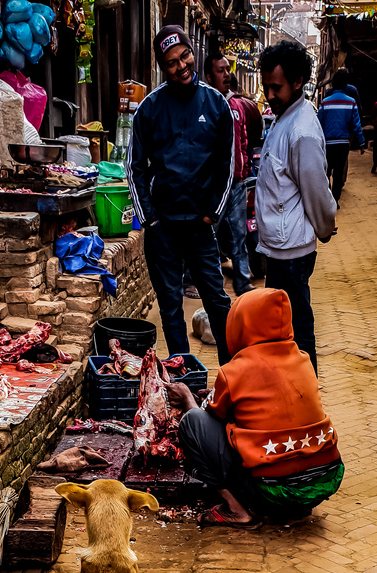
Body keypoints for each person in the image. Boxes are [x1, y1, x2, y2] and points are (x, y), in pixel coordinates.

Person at [168, 288, 344, 529]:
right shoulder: (303, 360)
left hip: (273, 490)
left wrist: (188, 397)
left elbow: (207, 418)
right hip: (324, 481)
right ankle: (298, 506)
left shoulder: (234, 371)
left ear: (241, 325)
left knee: (192, 422)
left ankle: (237, 510)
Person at [127, 25, 234, 362]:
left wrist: (212, 213)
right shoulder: (149, 109)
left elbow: (227, 164)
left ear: (192, 52)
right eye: (172, 62)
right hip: (164, 230)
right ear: (163, 66)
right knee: (171, 307)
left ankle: (233, 375)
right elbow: (135, 167)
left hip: (201, 227)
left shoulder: (216, 105)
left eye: (185, 55)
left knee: (217, 301)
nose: (182, 65)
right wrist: (150, 219)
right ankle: (183, 376)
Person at [255, 40, 337, 376]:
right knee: (279, 332)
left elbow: (318, 194)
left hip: (292, 253)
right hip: (278, 249)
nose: (270, 96)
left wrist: (324, 228)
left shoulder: (302, 130)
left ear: (298, 82)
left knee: (298, 333)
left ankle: (307, 404)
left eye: (276, 88)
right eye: (266, 88)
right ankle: (287, 399)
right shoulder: (283, 118)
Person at [204, 52, 255, 295]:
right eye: (221, 70)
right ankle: (210, 285)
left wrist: (243, 171)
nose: (227, 74)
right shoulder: (204, 105)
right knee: (207, 237)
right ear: (208, 76)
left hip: (236, 184)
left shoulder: (236, 105)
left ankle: (243, 284)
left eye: (227, 70)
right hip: (213, 186)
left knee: (240, 237)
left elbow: (243, 140)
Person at [317, 69, 365, 205]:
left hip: (328, 144)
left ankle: (328, 198)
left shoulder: (325, 103)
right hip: (343, 144)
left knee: (326, 173)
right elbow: (357, 125)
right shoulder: (351, 102)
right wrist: (361, 143)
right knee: (338, 174)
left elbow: (318, 124)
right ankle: (335, 199)